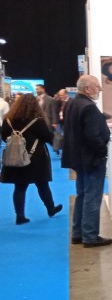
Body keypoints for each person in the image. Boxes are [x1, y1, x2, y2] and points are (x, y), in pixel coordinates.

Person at [62, 75, 112, 247]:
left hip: (78, 158)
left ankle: (78, 233)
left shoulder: (72, 103)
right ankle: (90, 235)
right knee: (92, 196)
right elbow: (93, 135)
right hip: (91, 159)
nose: (99, 89)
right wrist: (102, 150)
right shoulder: (89, 107)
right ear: (87, 88)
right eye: (97, 86)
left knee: (82, 195)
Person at [1, 93, 63, 224]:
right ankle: (51, 208)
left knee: (19, 186)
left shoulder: (8, 120)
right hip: (35, 158)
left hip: (15, 157)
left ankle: (20, 216)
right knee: (42, 184)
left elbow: (4, 137)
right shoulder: (37, 120)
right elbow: (47, 137)